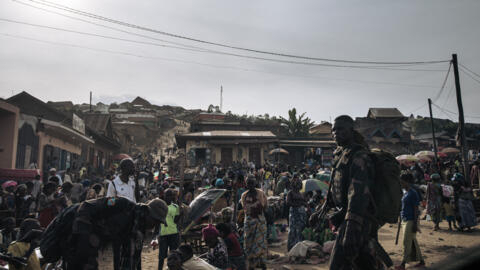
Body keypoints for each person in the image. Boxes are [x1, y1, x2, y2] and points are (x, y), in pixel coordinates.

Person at [310, 115, 384, 269]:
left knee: (339, 265)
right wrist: (320, 211)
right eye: (334, 130)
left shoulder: (359, 156)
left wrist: (351, 226)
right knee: (364, 264)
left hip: (358, 222)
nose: (336, 133)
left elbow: (358, 195)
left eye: (340, 129)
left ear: (351, 131)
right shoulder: (341, 155)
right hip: (348, 220)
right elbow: (334, 189)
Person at [49, 196, 168, 270]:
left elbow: (130, 260)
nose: (155, 226)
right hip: (75, 234)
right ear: (147, 212)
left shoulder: (137, 230)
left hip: (94, 244)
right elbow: (86, 206)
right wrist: (85, 238)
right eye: (155, 221)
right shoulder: (121, 204)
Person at [395, 172, 425, 270]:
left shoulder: (413, 193)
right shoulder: (405, 192)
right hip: (404, 219)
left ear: (407, 182)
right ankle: (421, 261)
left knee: (406, 242)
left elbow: (416, 209)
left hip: (411, 220)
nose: (401, 184)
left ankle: (403, 264)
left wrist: (415, 223)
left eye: (402, 182)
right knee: (412, 241)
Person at [241, 175, 267, 270]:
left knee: (260, 243)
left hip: (260, 221)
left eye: (252, 183)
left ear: (255, 183)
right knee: (249, 242)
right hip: (249, 221)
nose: (250, 185)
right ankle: (252, 264)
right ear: (246, 184)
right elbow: (245, 209)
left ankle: (262, 263)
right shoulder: (244, 195)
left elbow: (265, 206)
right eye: (248, 183)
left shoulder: (260, 193)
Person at [151, 188, 180, 270]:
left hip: (174, 233)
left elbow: (176, 221)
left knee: (174, 255)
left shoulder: (176, 206)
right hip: (163, 234)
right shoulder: (160, 207)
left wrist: (180, 214)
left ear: (172, 197)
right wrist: (155, 235)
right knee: (161, 256)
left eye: (170, 195)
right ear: (164, 195)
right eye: (167, 195)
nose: (168, 197)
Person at [286, 177, 306, 251]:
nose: (299, 185)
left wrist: (303, 203)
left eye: (300, 184)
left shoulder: (300, 193)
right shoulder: (290, 193)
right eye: (298, 184)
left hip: (301, 214)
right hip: (294, 214)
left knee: (300, 229)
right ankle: (292, 247)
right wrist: (297, 204)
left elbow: (304, 202)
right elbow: (288, 202)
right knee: (293, 230)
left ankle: (298, 247)